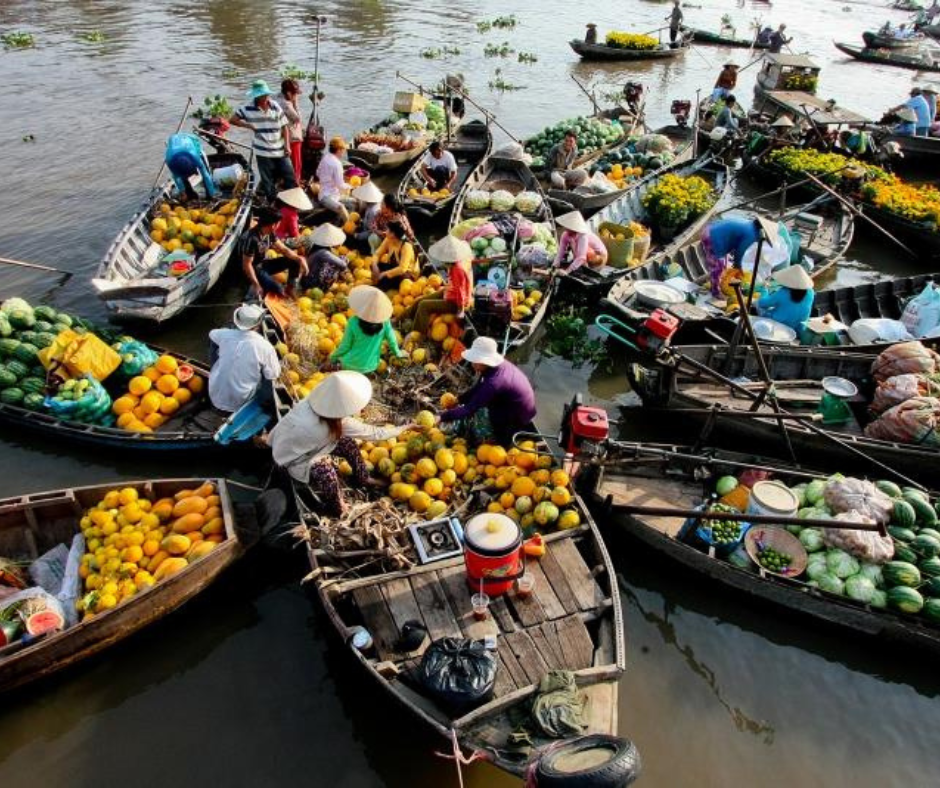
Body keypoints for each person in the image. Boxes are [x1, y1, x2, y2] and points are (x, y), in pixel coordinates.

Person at [268, 371, 413, 516]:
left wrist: (268, 439)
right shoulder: (341, 424)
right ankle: (336, 507)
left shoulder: (308, 403)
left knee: (347, 443)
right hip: (294, 460)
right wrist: (406, 427)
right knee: (326, 472)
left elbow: (286, 424)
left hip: (291, 445)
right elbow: (376, 434)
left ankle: (363, 478)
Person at [439, 337, 537, 446]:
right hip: (513, 405)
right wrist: (459, 400)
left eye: (476, 361)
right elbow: (478, 388)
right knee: (476, 403)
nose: (472, 364)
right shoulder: (494, 367)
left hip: (517, 416)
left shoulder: (494, 383)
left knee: (480, 426)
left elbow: (469, 409)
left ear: (485, 361)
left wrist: (441, 417)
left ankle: (498, 441)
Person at [230, 80, 296, 201]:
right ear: (257, 96)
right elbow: (232, 120)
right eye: (262, 95)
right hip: (263, 152)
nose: (265, 98)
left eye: (266, 95)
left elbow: (284, 126)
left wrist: (287, 145)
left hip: (280, 149)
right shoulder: (247, 108)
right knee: (267, 180)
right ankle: (272, 202)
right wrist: (248, 126)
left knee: (289, 175)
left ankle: (293, 200)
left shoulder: (275, 106)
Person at [208, 304, 279, 413]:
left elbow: (212, 334)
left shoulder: (224, 334)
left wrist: (214, 362)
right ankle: (259, 406)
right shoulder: (265, 347)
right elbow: (273, 375)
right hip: (241, 401)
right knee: (267, 377)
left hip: (214, 394)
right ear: (258, 324)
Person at [329, 286, 405, 373]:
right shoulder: (385, 322)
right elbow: (392, 341)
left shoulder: (353, 321)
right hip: (371, 366)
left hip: (349, 365)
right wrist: (398, 354)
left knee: (340, 361)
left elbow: (345, 346)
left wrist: (333, 358)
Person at [238, 206, 309, 298]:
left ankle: (290, 289)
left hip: (263, 264)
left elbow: (284, 249)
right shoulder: (252, 239)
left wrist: (299, 259)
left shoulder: (270, 233)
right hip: (254, 269)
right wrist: (256, 284)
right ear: (273, 225)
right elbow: (247, 265)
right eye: (279, 223)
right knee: (278, 290)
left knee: (295, 261)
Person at [412, 235, 474, 334]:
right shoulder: (454, 264)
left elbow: (461, 292)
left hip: (455, 303)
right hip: (449, 292)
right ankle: (399, 319)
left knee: (423, 306)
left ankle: (417, 335)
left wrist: (460, 311)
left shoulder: (457, 269)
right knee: (420, 300)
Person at [701, 216, 763, 295]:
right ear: (761, 230)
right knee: (717, 267)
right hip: (712, 237)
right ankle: (715, 291)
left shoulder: (748, 224)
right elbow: (740, 251)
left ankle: (715, 282)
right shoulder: (752, 234)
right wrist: (738, 266)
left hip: (709, 229)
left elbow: (737, 243)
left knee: (722, 263)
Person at [755, 264, 815, 332]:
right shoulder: (811, 292)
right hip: (798, 328)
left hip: (779, 325)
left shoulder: (783, 292)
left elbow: (762, 303)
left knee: (758, 304)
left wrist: (764, 289)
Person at [164, 132, 217, 200]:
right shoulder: (170, 161)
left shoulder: (195, 156)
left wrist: (212, 194)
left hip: (191, 141)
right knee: (182, 177)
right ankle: (190, 195)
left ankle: (210, 194)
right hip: (174, 145)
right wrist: (183, 192)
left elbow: (205, 175)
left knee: (205, 169)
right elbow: (176, 177)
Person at [372, 221, 417, 291]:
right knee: (374, 265)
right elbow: (377, 253)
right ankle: (381, 284)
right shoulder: (388, 239)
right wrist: (375, 265)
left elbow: (402, 269)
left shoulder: (406, 246)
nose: (385, 231)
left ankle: (384, 287)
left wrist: (384, 274)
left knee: (385, 279)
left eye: (387, 230)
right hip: (394, 266)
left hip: (406, 274)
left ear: (393, 234)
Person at [304, 223, 349, 291]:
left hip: (309, 279)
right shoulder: (324, 253)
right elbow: (343, 264)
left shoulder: (315, 248)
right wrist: (344, 272)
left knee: (335, 261)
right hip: (314, 283)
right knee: (344, 259)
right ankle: (326, 286)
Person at [275, 79, 304, 184]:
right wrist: (295, 102)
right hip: (292, 138)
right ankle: (295, 184)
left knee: (284, 164)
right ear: (288, 93)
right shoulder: (286, 104)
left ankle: (285, 182)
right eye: (295, 94)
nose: (296, 96)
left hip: (280, 137)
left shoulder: (276, 98)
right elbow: (297, 118)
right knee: (296, 165)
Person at [316, 136, 350, 223]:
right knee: (342, 207)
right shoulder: (337, 164)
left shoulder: (325, 157)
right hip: (327, 197)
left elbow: (318, 173)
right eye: (343, 149)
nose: (344, 152)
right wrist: (350, 186)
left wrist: (328, 179)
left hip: (324, 193)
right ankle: (350, 229)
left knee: (351, 202)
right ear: (339, 150)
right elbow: (340, 185)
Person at [351, 181, 384, 248]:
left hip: (371, 237)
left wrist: (357, 236)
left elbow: (371, 231)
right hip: (367, 230)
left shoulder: (372, 211)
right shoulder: (372, 205)